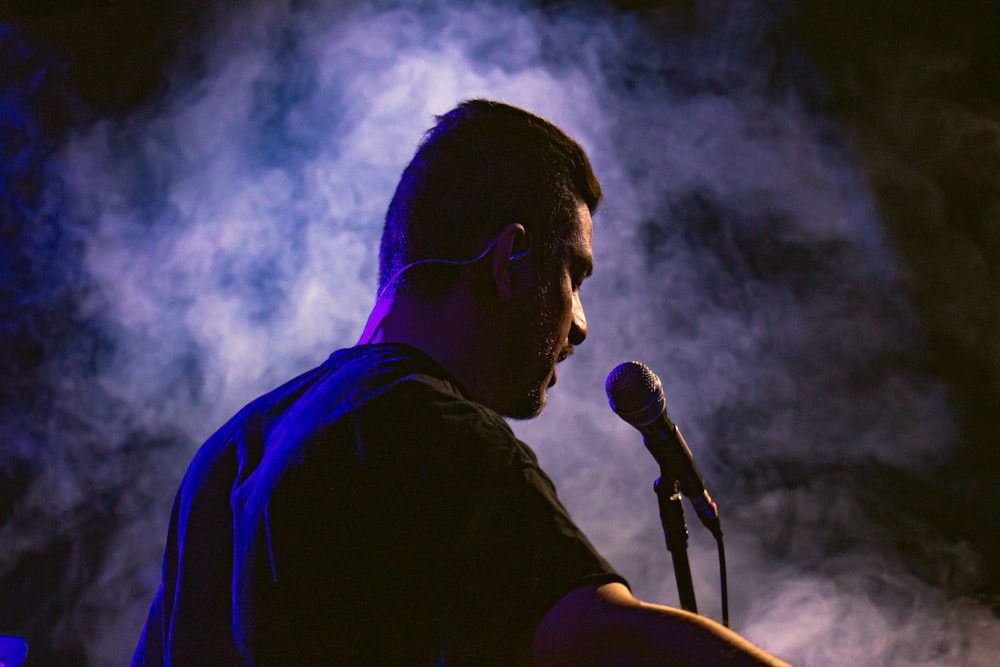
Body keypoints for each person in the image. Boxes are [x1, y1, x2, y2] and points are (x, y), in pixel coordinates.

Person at [132, 99, 791, 665]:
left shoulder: (224, 458)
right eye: (575, 277)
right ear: (509, 260)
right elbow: (609, 642)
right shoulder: (425, 423)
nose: (581, 325)